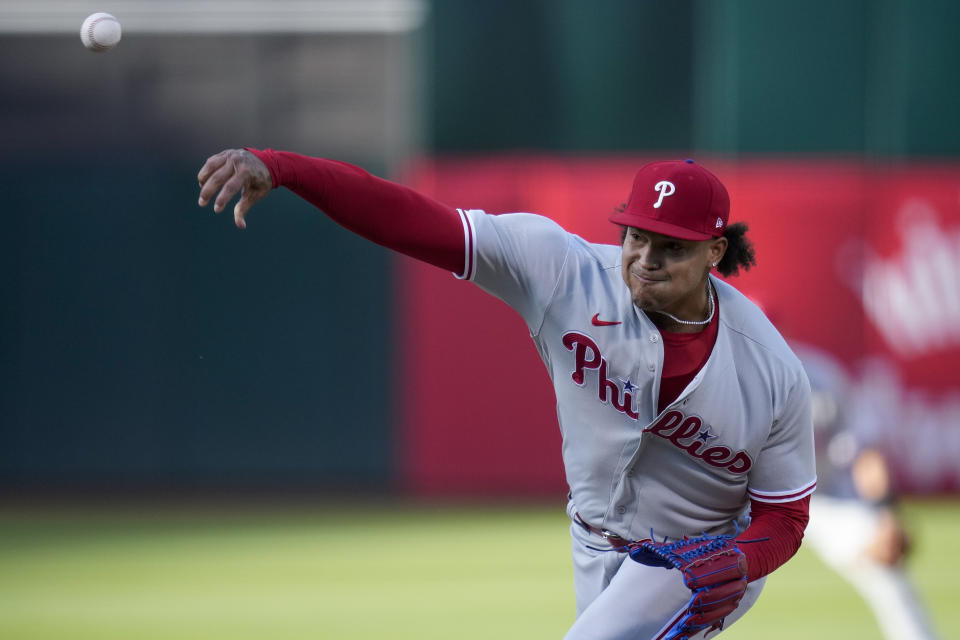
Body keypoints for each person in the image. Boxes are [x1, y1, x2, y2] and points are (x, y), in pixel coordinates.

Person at [197, 149, 817, 639]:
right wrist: (283, 167)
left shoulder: (770, 372)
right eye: (636, 237)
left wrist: (735, 561)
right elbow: (411, 219)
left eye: (671, 247)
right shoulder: (563, 271)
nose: (645, 259)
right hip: (594, 540)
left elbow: (785, 517)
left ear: (715, 251)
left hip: (696, 560)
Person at [794, 344, 939, 639]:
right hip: (740, 499)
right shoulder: (719, 376)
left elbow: (863, 451)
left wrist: (886, 512)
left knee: (884, 560)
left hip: (820, 498)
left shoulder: (819, 375)